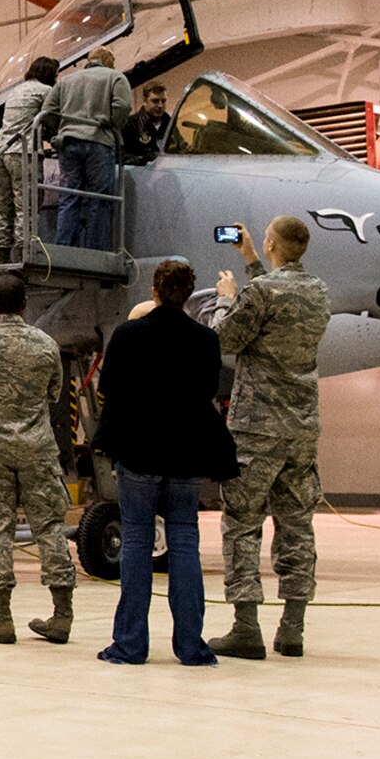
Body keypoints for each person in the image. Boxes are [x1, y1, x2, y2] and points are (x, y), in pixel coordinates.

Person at [91, 260, 238, 666]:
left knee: (137, 541)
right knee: (185, 541)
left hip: (138, 449)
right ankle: (192, 647)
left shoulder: (128, 334)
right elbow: (209, 388)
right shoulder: (205, 340)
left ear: (154, 289)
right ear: (189, 293)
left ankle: (130, 645)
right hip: (187, 452)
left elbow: (110, 389)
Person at [205, 215, 331, 659]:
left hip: (256, 427)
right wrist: (251, 261)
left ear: (273, 241)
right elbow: (276, 305)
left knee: (242, 523)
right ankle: (292, 628)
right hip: (301, 426)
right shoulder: (318, 291)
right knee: (297, 523)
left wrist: (225, 300)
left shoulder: (259, 293)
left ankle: (245, 627)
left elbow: (223, 339)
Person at [0, 274, 79, 644]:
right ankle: (62, 614)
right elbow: (54, 394)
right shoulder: (45, 345)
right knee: (50, 528)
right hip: (37, 448)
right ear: (25, 304)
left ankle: (1, 617)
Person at [38, 45, 131, 250]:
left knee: (69, 197)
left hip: (69, 143)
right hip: (99, 142)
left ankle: (65, 248)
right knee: (99, 199)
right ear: (107, 60)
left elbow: (48, 110)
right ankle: (94, 249)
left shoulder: (66, 81)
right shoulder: (115, 77)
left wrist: (62, 127)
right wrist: (112, 124)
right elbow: (123, 107)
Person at [0, 56, 60, 264]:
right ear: (49, 74)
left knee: (2, 210)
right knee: (26, 207)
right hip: (24, 152)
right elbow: (55, 121)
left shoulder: (15, 90)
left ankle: (0, 258)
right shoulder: (45, 91)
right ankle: (24, 256)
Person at [119, 81, 169, 166]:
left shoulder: (170, 124)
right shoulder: (130, 125)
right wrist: (142, 160)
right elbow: (119, 155)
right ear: (145, 101)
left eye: (163, 101)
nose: (160, 105)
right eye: (155, 101)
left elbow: (181, 149)